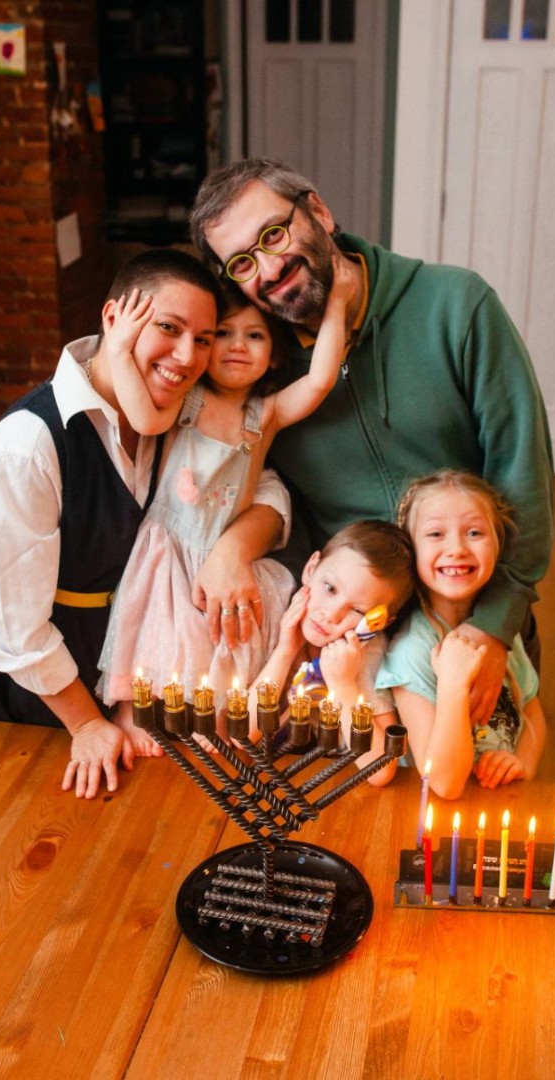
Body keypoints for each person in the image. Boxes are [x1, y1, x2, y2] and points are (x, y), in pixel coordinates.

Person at [189, 157, 555, 730]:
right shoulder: (258, 367)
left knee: (475, 783)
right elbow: (273, 498)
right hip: (348, 654)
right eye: (242, 262)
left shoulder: (456, 305)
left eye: (274, 234)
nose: (269, 268)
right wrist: (242, 560)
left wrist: (492, 627)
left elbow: (523, 475)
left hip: (472, 631)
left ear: (317, 210)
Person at [0, 250, 290, 799]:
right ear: (115, 318)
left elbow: (262, 483)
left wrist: (233, 547)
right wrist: (86, 722)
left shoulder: (173, 409)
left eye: (203, 338)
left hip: (99, 649)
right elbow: (12, 628)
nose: (187, 357)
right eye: (168, 328)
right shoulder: (27, 445)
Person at [97, 262, 355, 754]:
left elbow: (321, 380)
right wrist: (119, 347)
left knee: (219, 637)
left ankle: (213, 716)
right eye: (223, 334)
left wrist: (337, 304)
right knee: (159, 631)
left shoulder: (267, 413)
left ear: (273, 355)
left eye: (254, 336)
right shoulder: (187, 398)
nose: (238, 346)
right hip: (173, 542)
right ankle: (135, 711)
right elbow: (143, 418)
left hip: (220, 547)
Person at [376, 470, 547, 799]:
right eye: (436, 533)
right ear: (411, 550)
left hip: (500, 799)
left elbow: (532, 712)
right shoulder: (412, 650)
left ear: (499, 545)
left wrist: (520, 763)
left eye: (474, 532)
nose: (456, 548)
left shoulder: (501, 633)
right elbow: (442, 783)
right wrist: (453, 684)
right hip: (431, 815)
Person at [247, 519, 416, 786]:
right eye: (330, 588)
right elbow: (244, 734)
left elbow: (381, 771)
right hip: (263, 779)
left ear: (377, 623)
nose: (332, 614)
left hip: (330, 785)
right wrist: (284, 652)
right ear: (311, 568)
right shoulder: (276, 612)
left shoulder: (365, 654)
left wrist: (345, 685)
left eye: (357, 610)